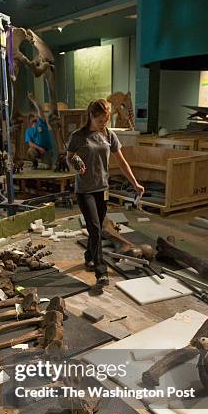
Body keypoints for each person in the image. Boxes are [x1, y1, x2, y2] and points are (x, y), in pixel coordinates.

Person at [67, 98, 144, 287]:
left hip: (102, 189)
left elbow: (122, 161)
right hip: (85, 190)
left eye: (106, 120)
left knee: (98, 229)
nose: (104, 124)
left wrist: (135, 183)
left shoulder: (109, 135)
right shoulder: (78, 136)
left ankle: (89, 256)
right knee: (94, 228)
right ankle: (101, 271)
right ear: (91, 117)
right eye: (100, 120)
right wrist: (75, 163)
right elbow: (69, 157)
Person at [24, 93, 53, 169]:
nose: (34, 117)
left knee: (47, 168)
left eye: (35, 116)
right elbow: (30, 143)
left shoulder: (42, 123)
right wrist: (39, 148)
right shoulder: (28, 131)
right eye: (32, 117)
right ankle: (35, 164)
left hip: (46, 150)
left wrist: (34, 100)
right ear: (29, 120)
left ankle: (47, 161)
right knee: (30, 151)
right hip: (38, 150)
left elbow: (40, 109)